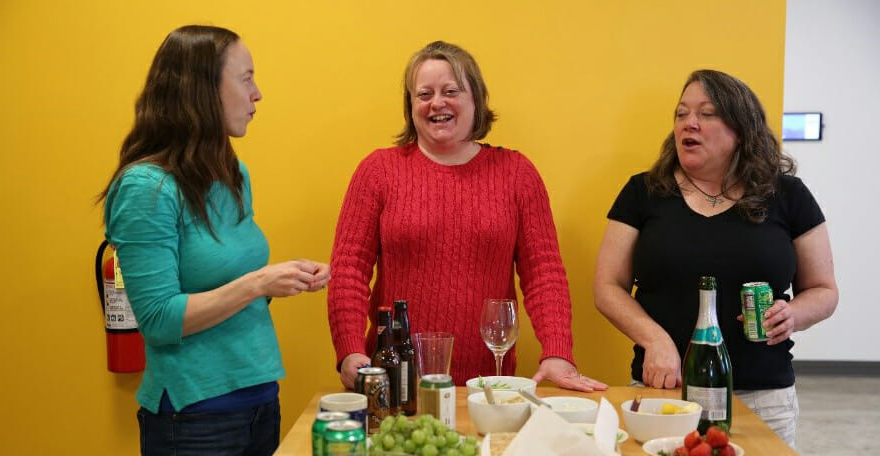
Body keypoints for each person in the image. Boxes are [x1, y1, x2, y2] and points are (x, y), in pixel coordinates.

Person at [99, 25, 330, 456]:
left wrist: (284, 280)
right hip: (193, 416)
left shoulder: (232, 172)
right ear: (203, 90)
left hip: (260, 398)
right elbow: (159, 319)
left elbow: (231, 284)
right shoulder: (146, 189)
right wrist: (260, 283)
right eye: (245, 78)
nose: (257, 93)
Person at [328, 40, 607, 393]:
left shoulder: (517, 173)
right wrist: (350, 350)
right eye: (423, 94)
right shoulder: (378, 171)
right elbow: (349, 270)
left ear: (476, 100)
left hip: (488, 384)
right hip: (394, 381)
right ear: (410, 106)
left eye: (451, 91)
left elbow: (543, 272)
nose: (437, 103)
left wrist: (557, 351)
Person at [593, 69, 837, 447]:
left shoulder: (788, 195)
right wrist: (654, 339)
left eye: (707, 114)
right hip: (665, 391)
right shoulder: (642, 192)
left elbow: (823, 290)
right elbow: (608, 286)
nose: (689, 123)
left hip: (761, 397)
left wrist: (795, 314)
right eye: (681, 114)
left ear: (740, 129)